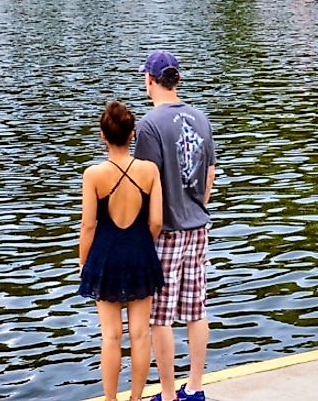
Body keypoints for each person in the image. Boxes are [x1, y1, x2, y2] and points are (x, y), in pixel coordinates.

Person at [134, 51, 216, 401]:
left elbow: (145, 181)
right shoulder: (201, 118)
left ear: (150, 81)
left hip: (165, 230)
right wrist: (197, 206)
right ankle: (195, 388)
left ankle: (168, 395)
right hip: (198, 225)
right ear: (177, 79)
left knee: (160, 316)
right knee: (196, 310)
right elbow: (210, 172)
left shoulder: (149, 125)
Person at [80, 101, 166, 401]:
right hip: (140, 254)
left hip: (105, 257)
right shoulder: (149, 171)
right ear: (133, 135)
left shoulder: (93, 175)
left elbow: (89, 226)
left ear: (103, 136)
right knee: (141, 334)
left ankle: (111, 399)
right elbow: (156, 220)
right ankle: (136, 397)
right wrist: (143, 243)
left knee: (111, 336)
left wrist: (84, 264)